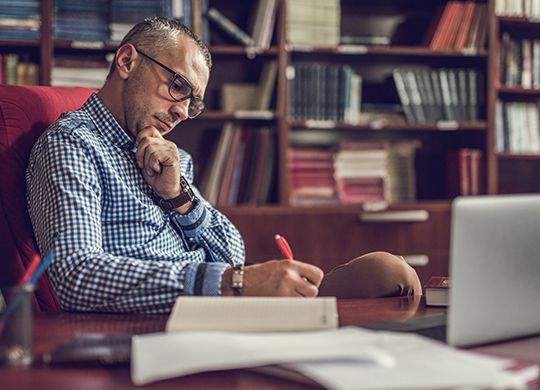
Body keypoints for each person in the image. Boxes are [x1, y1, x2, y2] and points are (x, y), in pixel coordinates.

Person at [26, 17, 421, 313]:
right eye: (177, 86)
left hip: (222, 301)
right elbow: (75, 278)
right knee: (389, 281)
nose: (181, 111)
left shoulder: (165, 155)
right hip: (177, 318)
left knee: (391, 274)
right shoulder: (73, 145)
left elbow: (232, 249)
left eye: (192, 102)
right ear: (128, 61)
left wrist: (179, 198)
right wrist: (232, 283)